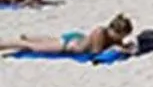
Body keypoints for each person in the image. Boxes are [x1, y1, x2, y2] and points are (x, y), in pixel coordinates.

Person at [0, 13, 133, 58]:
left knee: (47, 41)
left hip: (76, 40)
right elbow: (95, 52)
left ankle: (29, 36)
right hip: (68, 46)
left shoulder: (112, 36)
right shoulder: (100, 32)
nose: (122, 38)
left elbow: (119, 46)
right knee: (31, 47)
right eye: (121, 35)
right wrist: (115, 48)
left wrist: (124, 48)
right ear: (114, 30)